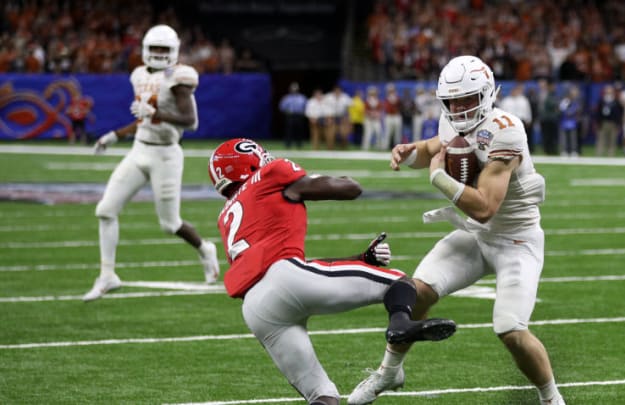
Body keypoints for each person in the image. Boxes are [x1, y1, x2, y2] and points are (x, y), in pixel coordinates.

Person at [349, 55, 565, 405]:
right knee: (415, 292)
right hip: (477, 236)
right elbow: (434, 147)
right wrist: (410, 151)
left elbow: (485, 207)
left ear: (487, 95)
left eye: (467, 100)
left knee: (510, 330)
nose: (460, 109)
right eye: (452, 101)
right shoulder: (452, 122)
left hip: (516, 240)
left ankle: (551, 398)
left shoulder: (506, 129)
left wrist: (438, 179)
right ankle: (389, 372)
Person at [207, 138, 457, 405]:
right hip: (286, 277)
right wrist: (341, 180)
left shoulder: (226, 215)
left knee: (323, 396)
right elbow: (350, 189)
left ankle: (399, 329)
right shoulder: (272, 173)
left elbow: (300, 270)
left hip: (257, 309)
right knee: (399, 284)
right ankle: (401, 325)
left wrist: (360, 259)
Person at [83, 24, 220, 302]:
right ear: (145, 49)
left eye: (163, 49)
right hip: (139, 150)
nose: (158, 54)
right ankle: (107, 275)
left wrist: (156, 112)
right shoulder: (138, 75)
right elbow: (144, 118)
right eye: (154, 48)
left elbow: (190, 122)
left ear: (174, 51)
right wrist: (114, 135)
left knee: (170, 224)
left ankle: (205, 249)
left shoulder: (179, 78)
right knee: (105, 210)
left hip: (166, 155)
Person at [594, 84, 623, 156]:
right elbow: (598, 113)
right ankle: (599, 152)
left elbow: (619, 112)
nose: (609, 92)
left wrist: (618, 123)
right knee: (601, 138)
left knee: (613, 139)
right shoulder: (601, 101)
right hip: (604, 122)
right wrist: (598, 122)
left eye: (610, 90)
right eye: (607, 90)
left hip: (613, 123)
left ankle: (611, 153)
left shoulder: (616, 101)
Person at [278, 82, 307, 149]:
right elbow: (282, 107)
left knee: (299, 130)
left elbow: (305, 106)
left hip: (299, 116)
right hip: (290, 116)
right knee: (289, 131)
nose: (294, 90)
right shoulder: (287, 98)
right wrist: (287, 111)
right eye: (293, 89)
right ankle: (288, 144)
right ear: (290, 89)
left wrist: (303, 112)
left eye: (295, 89)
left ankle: (299, 144)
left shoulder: (302, 97)